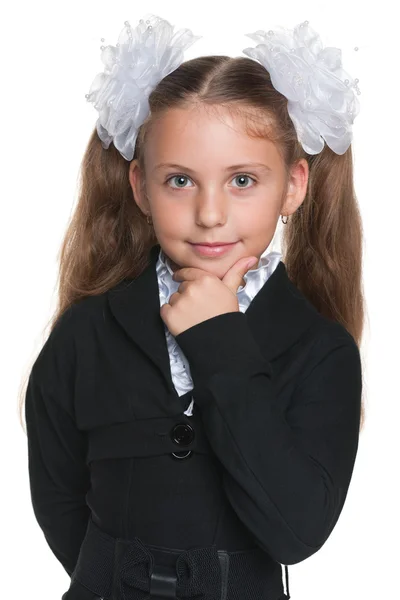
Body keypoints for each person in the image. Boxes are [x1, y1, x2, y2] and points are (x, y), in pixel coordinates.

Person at [21, 14, 365, 600]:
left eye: (242, 181)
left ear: (293, 185)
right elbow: (59, 497)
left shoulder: (321, 349)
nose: (209, 214)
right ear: (139, 186)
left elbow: (296, 529)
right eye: (180, 181)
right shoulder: (86, 332)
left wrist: (220, 341)